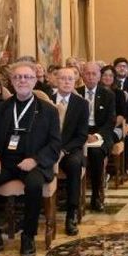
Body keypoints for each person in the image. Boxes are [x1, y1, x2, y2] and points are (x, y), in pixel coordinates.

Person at [0, 60, 61, 256]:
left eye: (27, 77)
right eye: (18, 77)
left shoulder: (48, 110)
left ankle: (28, 236)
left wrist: (36, 160)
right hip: (5, 161)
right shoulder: (3, 108)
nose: (22, 80)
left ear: (34, 81)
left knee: (33, 184)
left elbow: (55, 144)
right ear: (11, 82)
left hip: (33, 163)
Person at [50, 65, 91, 235]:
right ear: (55, 80)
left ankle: (71, 213)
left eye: (70, 79)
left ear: (75, 82)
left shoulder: (82, 104)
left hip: (70, 149)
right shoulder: (46, 100)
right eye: (62, 78)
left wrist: (64, 150)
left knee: (74, 165)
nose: (66, 82)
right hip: (48, 148)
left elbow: (81, 135)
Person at [77, 60, 117, 212]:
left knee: (95, 153)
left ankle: (96, 195)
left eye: (94, 74)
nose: (91, 77)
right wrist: (84, 135)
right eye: (87, 73)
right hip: (81, 132)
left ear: (99, 76)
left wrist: (97, 136)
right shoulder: (77, 93)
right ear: (82, 75)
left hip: (101, 132)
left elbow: (110, 121)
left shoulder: (108, 95)